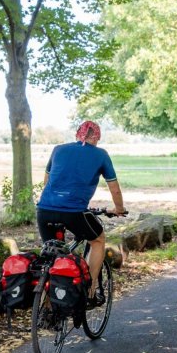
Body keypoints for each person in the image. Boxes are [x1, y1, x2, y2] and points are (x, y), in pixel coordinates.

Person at [36, 120, 126, 308]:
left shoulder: (58, 149)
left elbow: (46, 180)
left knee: (51, 254)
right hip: (74, 212)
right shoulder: (101, 155)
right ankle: (90, 290)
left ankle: (46, 307)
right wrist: (119, 209)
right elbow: (115, 189)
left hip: (44, 210)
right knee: (98, 240)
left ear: (78, 134)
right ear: (97, 137)